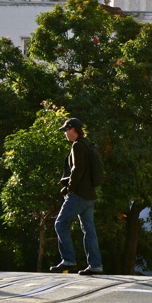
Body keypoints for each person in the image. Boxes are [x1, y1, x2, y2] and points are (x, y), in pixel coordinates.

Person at [51, 117, 104, 275]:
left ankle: (68, 260)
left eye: (66, 130)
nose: (65, 133)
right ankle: (96, 265)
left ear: (72, 129)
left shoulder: (77, 146)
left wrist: (69, 189)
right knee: (89, 230)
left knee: (60, 223)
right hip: (90, 195)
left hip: (79, 194)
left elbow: (77, 169)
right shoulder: (87, 145)